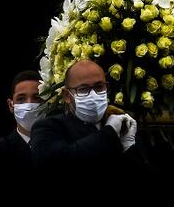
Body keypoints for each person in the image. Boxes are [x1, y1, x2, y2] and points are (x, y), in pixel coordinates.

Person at [30, 59, 145, 201]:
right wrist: (109, 132)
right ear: (67, 96)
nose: (94, 95)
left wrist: (129, 149)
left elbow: (147, 183)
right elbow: (57, 166)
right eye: (83, 89)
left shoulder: (122, 123)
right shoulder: (48, 127)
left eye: (99, 87)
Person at [0, 70, 43, 201]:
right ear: (11, 105)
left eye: (37, 98)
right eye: (21, 99)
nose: (29, 104)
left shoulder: (65, 143)